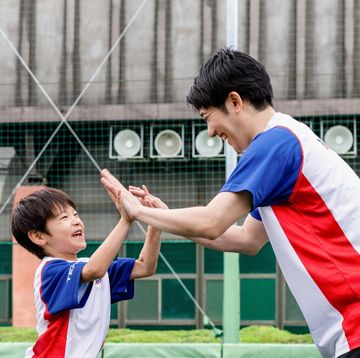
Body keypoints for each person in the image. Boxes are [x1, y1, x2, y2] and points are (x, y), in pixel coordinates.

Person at [100, 47, 360, 358]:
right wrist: (165, 216)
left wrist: (138, 211)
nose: (210, 131)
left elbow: (212, 222)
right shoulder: (288, 141)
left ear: (235, 102)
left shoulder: (273, 143)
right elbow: (245, 239)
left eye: (208, 117)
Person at [10, 186, 165, 358]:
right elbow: (94, 270)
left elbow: (145, 266)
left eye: (75, 214)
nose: (76, 221)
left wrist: (155, 222)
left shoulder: (91, 267)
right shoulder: (50, 271)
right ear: (39, 237)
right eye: (64, 218)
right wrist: (125, 220)